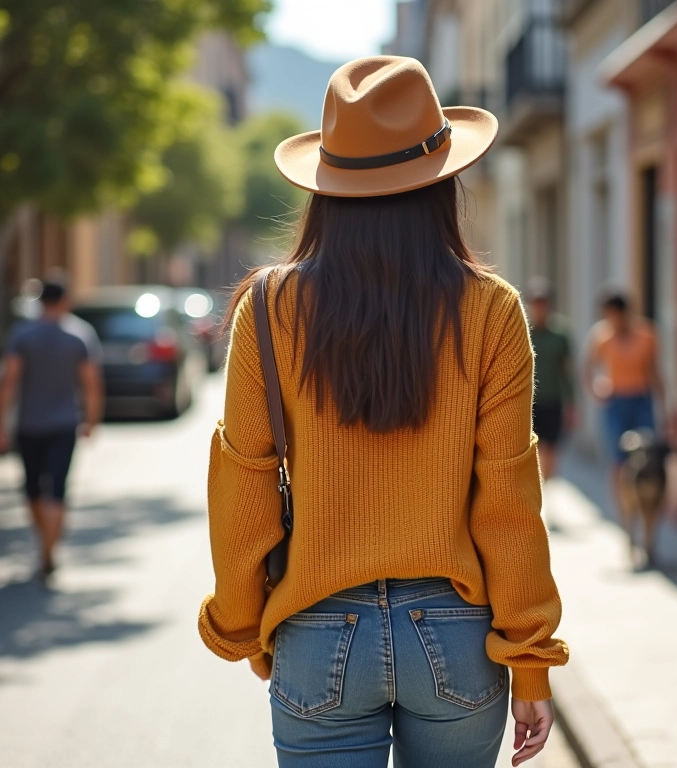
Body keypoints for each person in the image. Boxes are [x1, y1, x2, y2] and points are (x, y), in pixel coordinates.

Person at [198, 57, 568, 768]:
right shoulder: (492, 310)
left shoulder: (268, 309)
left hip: (317, 628)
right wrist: (530, 661)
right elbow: (509, 501)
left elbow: (245, 485)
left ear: (326, 187)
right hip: (457, 638)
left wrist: (243, 624)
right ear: (442, 182)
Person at [0, 278, 102, 579]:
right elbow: (91, 384)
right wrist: (91, 420)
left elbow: (9, 382)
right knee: (57, 489)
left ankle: (43, 547)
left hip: (28, 424)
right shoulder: (80, 334)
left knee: (32, 488)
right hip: (64, 424)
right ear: (65, 301)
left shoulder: (22, 334)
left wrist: (2, 422)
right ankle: (49, 551)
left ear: (41, 301)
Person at [583, 290, 666, 511]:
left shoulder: (647, 335)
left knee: (647, 454)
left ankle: (644, 505)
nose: (612, 320)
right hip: (615, 402)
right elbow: (588, 367)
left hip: (642, 399)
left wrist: (664, 406)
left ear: (625, 313)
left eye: (614, 315)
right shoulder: (601, 336)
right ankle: (623, 512)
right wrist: (596, 389)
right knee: (618, 458)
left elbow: (655, 371)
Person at [526, 278, 574, 480]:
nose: (540, 309)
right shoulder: (523, 331)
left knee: (551, 448)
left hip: (553, 399)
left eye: (543, 304)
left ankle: (546, 484)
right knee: (531, 445)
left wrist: (571, 404)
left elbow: (566, 371)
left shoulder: (560, 335)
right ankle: (536, 485)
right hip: (529, 401)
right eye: (536, 304)